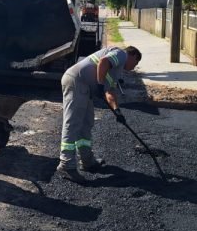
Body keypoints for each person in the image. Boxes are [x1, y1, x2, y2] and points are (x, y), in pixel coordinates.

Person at [56, 45, 142, 180]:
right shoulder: (121, 54)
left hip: (85, 87)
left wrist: (117, 111)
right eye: (136, 63)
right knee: (73, 123)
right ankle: (66, 164)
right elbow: (104, 62)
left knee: (86, 123)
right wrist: (100, 84)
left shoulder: (117, 70)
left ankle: (87, 160)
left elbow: (110, 92)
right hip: (77, 81)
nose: (134, 67)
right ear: (133, 56)